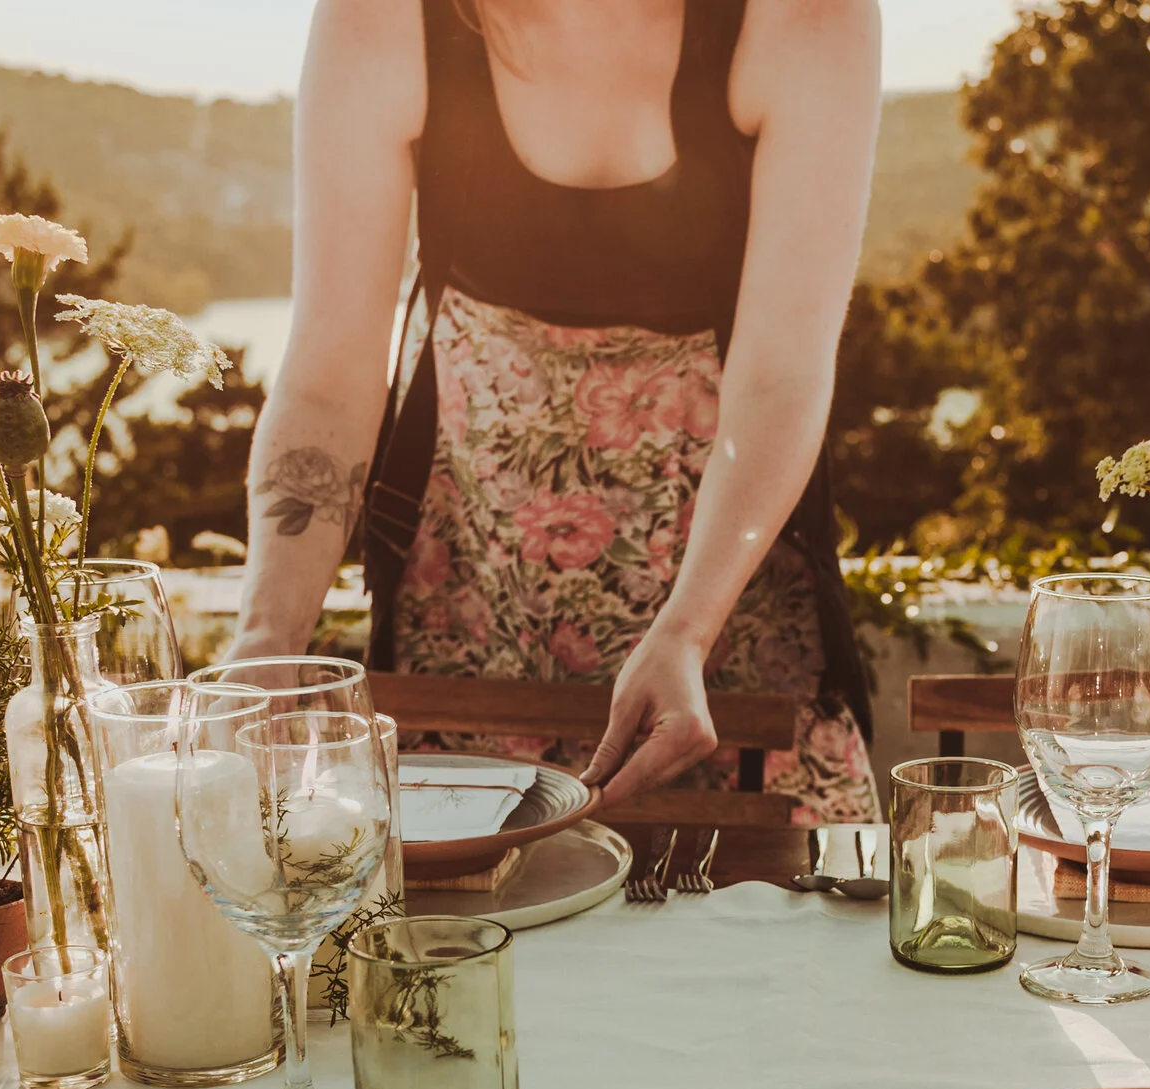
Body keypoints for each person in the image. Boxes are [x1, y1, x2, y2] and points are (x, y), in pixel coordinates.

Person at [232, 0, 882, 821]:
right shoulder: (382, 18)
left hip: (726, 639)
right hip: (466, 621)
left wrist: (687, 630)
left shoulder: (808, 16)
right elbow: (331, 376)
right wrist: (268, 641)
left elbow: (782, 376)